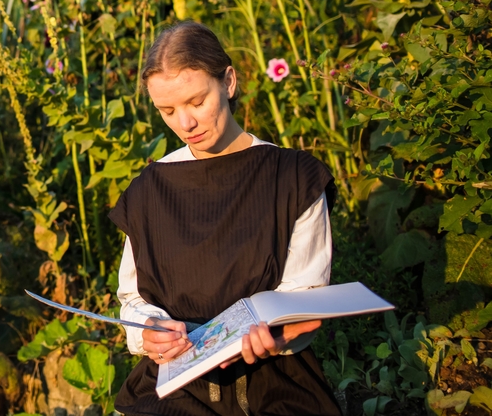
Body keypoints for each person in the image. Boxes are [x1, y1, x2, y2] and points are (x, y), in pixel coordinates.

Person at [108, 22, 342, 416]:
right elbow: (132, 299)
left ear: (228, 81)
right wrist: (149, 330)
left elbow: (305, 298)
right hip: (172, 389)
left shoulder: (295, 178)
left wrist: (276, 334)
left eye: (196, 102)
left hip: (276, 386)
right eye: (167, 110)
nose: (185, 125)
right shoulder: (148, 191)